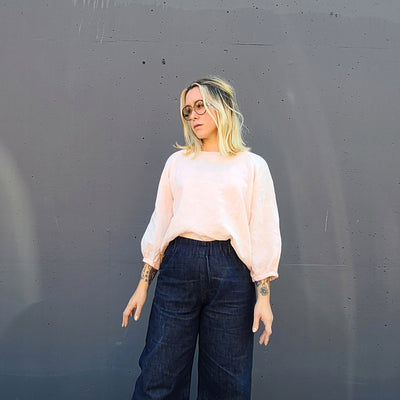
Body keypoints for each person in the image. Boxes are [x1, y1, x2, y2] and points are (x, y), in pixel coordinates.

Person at [122, 76, 282, 400]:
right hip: (178, 267)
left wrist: (263, 296)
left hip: (232, 274)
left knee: (227, 383)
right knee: (159, 374)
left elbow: (263, 229)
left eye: (200, 106)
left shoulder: (252, 166)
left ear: (222, 108)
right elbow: (161, 222)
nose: (192, 116)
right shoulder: (178, 163)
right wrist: (143, 283)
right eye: (187, 111)